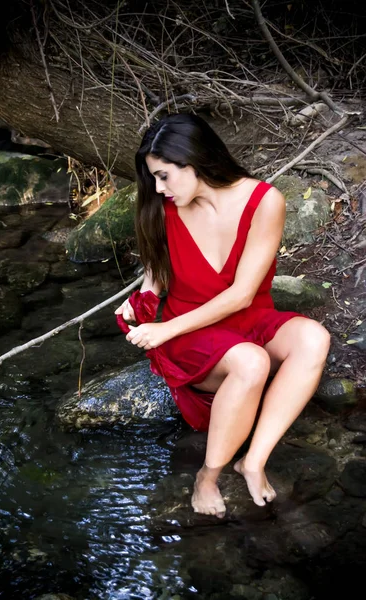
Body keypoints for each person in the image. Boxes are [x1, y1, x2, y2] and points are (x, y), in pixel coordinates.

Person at [115, 113, 330, 518]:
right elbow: (155, 277)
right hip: (193, 334)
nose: (158, 189)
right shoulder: (164, 210)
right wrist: (138, 304)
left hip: (245, 319)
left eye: (164, 176)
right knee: (252, 361)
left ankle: (253, 461)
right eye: (154, 179)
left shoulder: (265, 200)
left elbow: (243, 294)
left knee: (313, 338)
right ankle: (207, 476)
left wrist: (164, 328)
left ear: (193, 160)